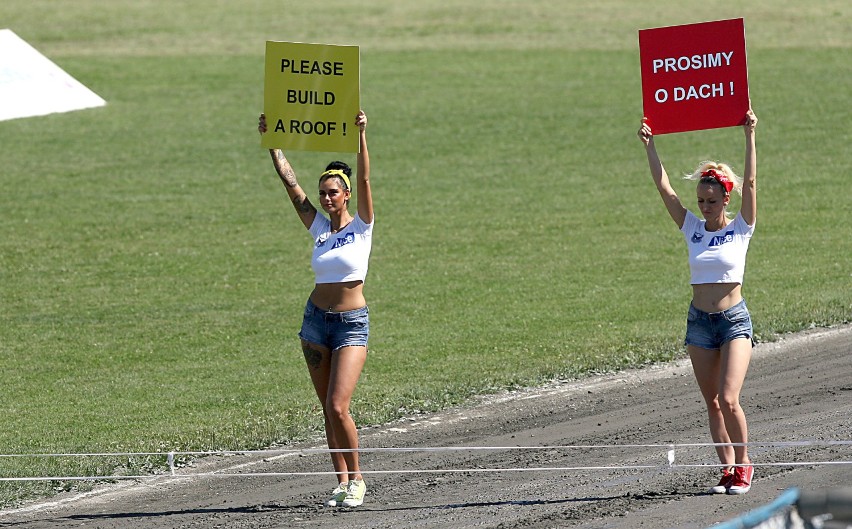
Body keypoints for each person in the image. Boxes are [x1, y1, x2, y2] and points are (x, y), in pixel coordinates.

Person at [637, 109, 759, 495]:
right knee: (711, 402)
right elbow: (664, 189)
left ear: (726, 198)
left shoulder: (741, 228)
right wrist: (650, 144)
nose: (704, 206)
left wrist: (749, 135)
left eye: (710, 200)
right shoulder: (691, 227)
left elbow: (752, 182)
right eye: (700, 200)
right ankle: (726, 470)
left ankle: (744, 465)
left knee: (729, 397)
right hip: (699, 323)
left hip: (733, 321)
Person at [258, 110, 373, 507]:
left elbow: (364, 178)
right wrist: (273, 143)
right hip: (315, 323)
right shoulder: (318, 228)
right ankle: (340, 482)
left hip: (351, 325)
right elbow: (290, 185)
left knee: (340, 405)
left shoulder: (362, 225)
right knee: (326, 408)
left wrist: (361, 135)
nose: (325, 198)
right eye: (322, 192)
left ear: (345, 195)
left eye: (332, 192)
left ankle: (357, 479)